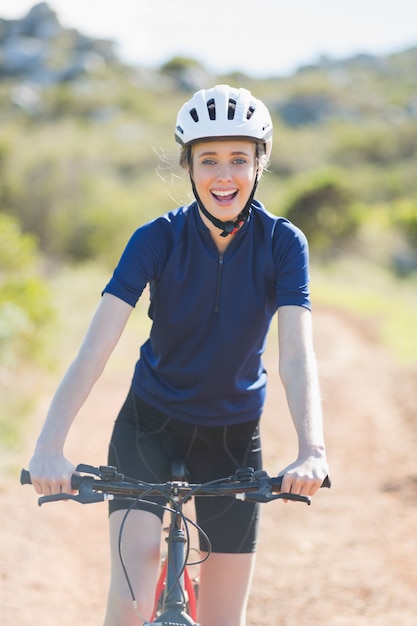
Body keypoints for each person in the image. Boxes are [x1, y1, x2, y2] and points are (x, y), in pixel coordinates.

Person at [28, 84, 329, 626]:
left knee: (223, 618)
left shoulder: (284, 243)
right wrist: (50, 446)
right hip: (148, 425)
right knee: (130, 604)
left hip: (234, 435)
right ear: (188, 166)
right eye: (208, 159)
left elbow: (296, 354)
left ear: (260, 163)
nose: (223, 176)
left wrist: (312, 448)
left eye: (239, 159)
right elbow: (96, 348)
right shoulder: (156, 239)